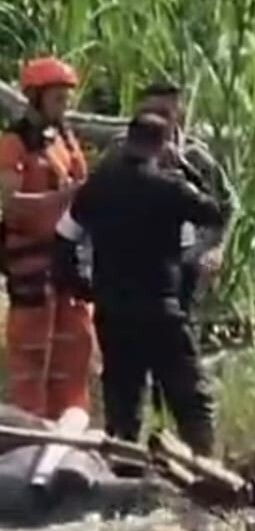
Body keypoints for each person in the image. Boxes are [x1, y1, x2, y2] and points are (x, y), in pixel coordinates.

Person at [62, 112, 225, 455]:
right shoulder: (169, 187)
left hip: (113, 309)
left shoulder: (98, 186)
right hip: (160, 306)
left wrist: (81, 286)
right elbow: (215, 211)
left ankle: (122, 473)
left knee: (123, 396)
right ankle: (204, 464)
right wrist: (185, 168)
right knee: (188, 393)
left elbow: (63, 239)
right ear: (162, 144)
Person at [0, 56, 92, 421]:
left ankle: (69, 425)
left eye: (66, 99)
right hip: (31, 266)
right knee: (32, 356)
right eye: (57, 99)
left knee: (75, 349)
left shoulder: (64, 138)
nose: (64, 107)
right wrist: (63, 199)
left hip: (68, 261)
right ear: (36, 98)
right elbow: (8, 206)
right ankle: (30, 433)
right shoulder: (13, 142)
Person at [127, 80, 237, 314]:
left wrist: (217, 249)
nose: (158, 121)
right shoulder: (123, 152)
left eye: (165, 114)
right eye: (150, 113)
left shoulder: (195, 156)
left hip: (186, 263)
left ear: (178, 116)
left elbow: (228, 206)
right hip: (133, 265)